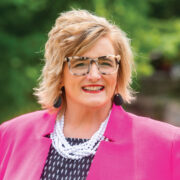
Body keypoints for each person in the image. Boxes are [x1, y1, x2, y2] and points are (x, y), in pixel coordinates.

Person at [0, 9, 180, 180]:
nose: (94, 75)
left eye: (105, 63)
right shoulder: (10, 136)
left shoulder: (168, 144)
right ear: (59, 74)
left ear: (119, 71)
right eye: (79, 64)